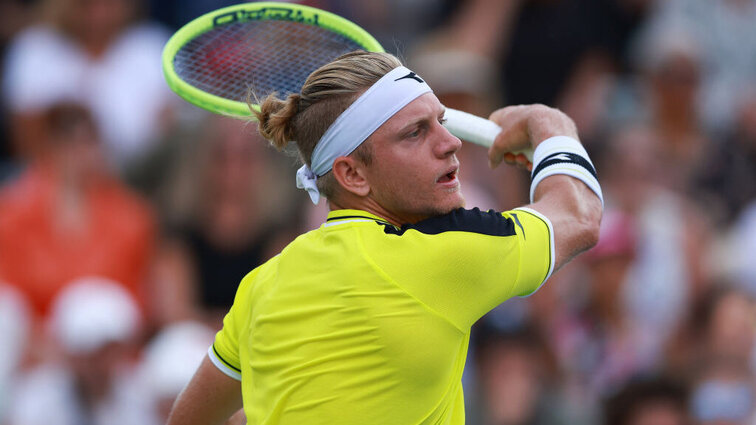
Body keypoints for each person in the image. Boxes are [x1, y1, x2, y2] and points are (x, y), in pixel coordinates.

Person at [167, 51, 602, 425]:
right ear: (352, 174)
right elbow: (578, 215)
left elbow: (188, 420)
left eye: (440, 122)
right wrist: (549, 124)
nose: (450, 143)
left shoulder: (262, 283)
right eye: (416, 132)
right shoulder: (445, 253)